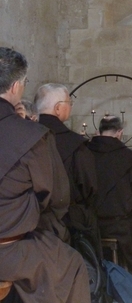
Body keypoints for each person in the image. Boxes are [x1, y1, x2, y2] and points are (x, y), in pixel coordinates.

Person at [0, 47, 90, 302]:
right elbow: (57, 197)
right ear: (17, 86)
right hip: (9, 249)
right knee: (71, 266)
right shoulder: (32, 136)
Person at [34, 83, 99, 249]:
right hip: (69, 224)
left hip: (30, 220)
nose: (70, 106)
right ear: (57, 108)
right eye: (69, 102)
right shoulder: (76, 145)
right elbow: (89, 188)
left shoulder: (24, 137)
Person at [88, 115, 132, 288]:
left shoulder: (85, 154)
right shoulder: (130, 159)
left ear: (98, 132)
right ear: (120, 133)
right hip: (122, 226)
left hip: (93, 226)